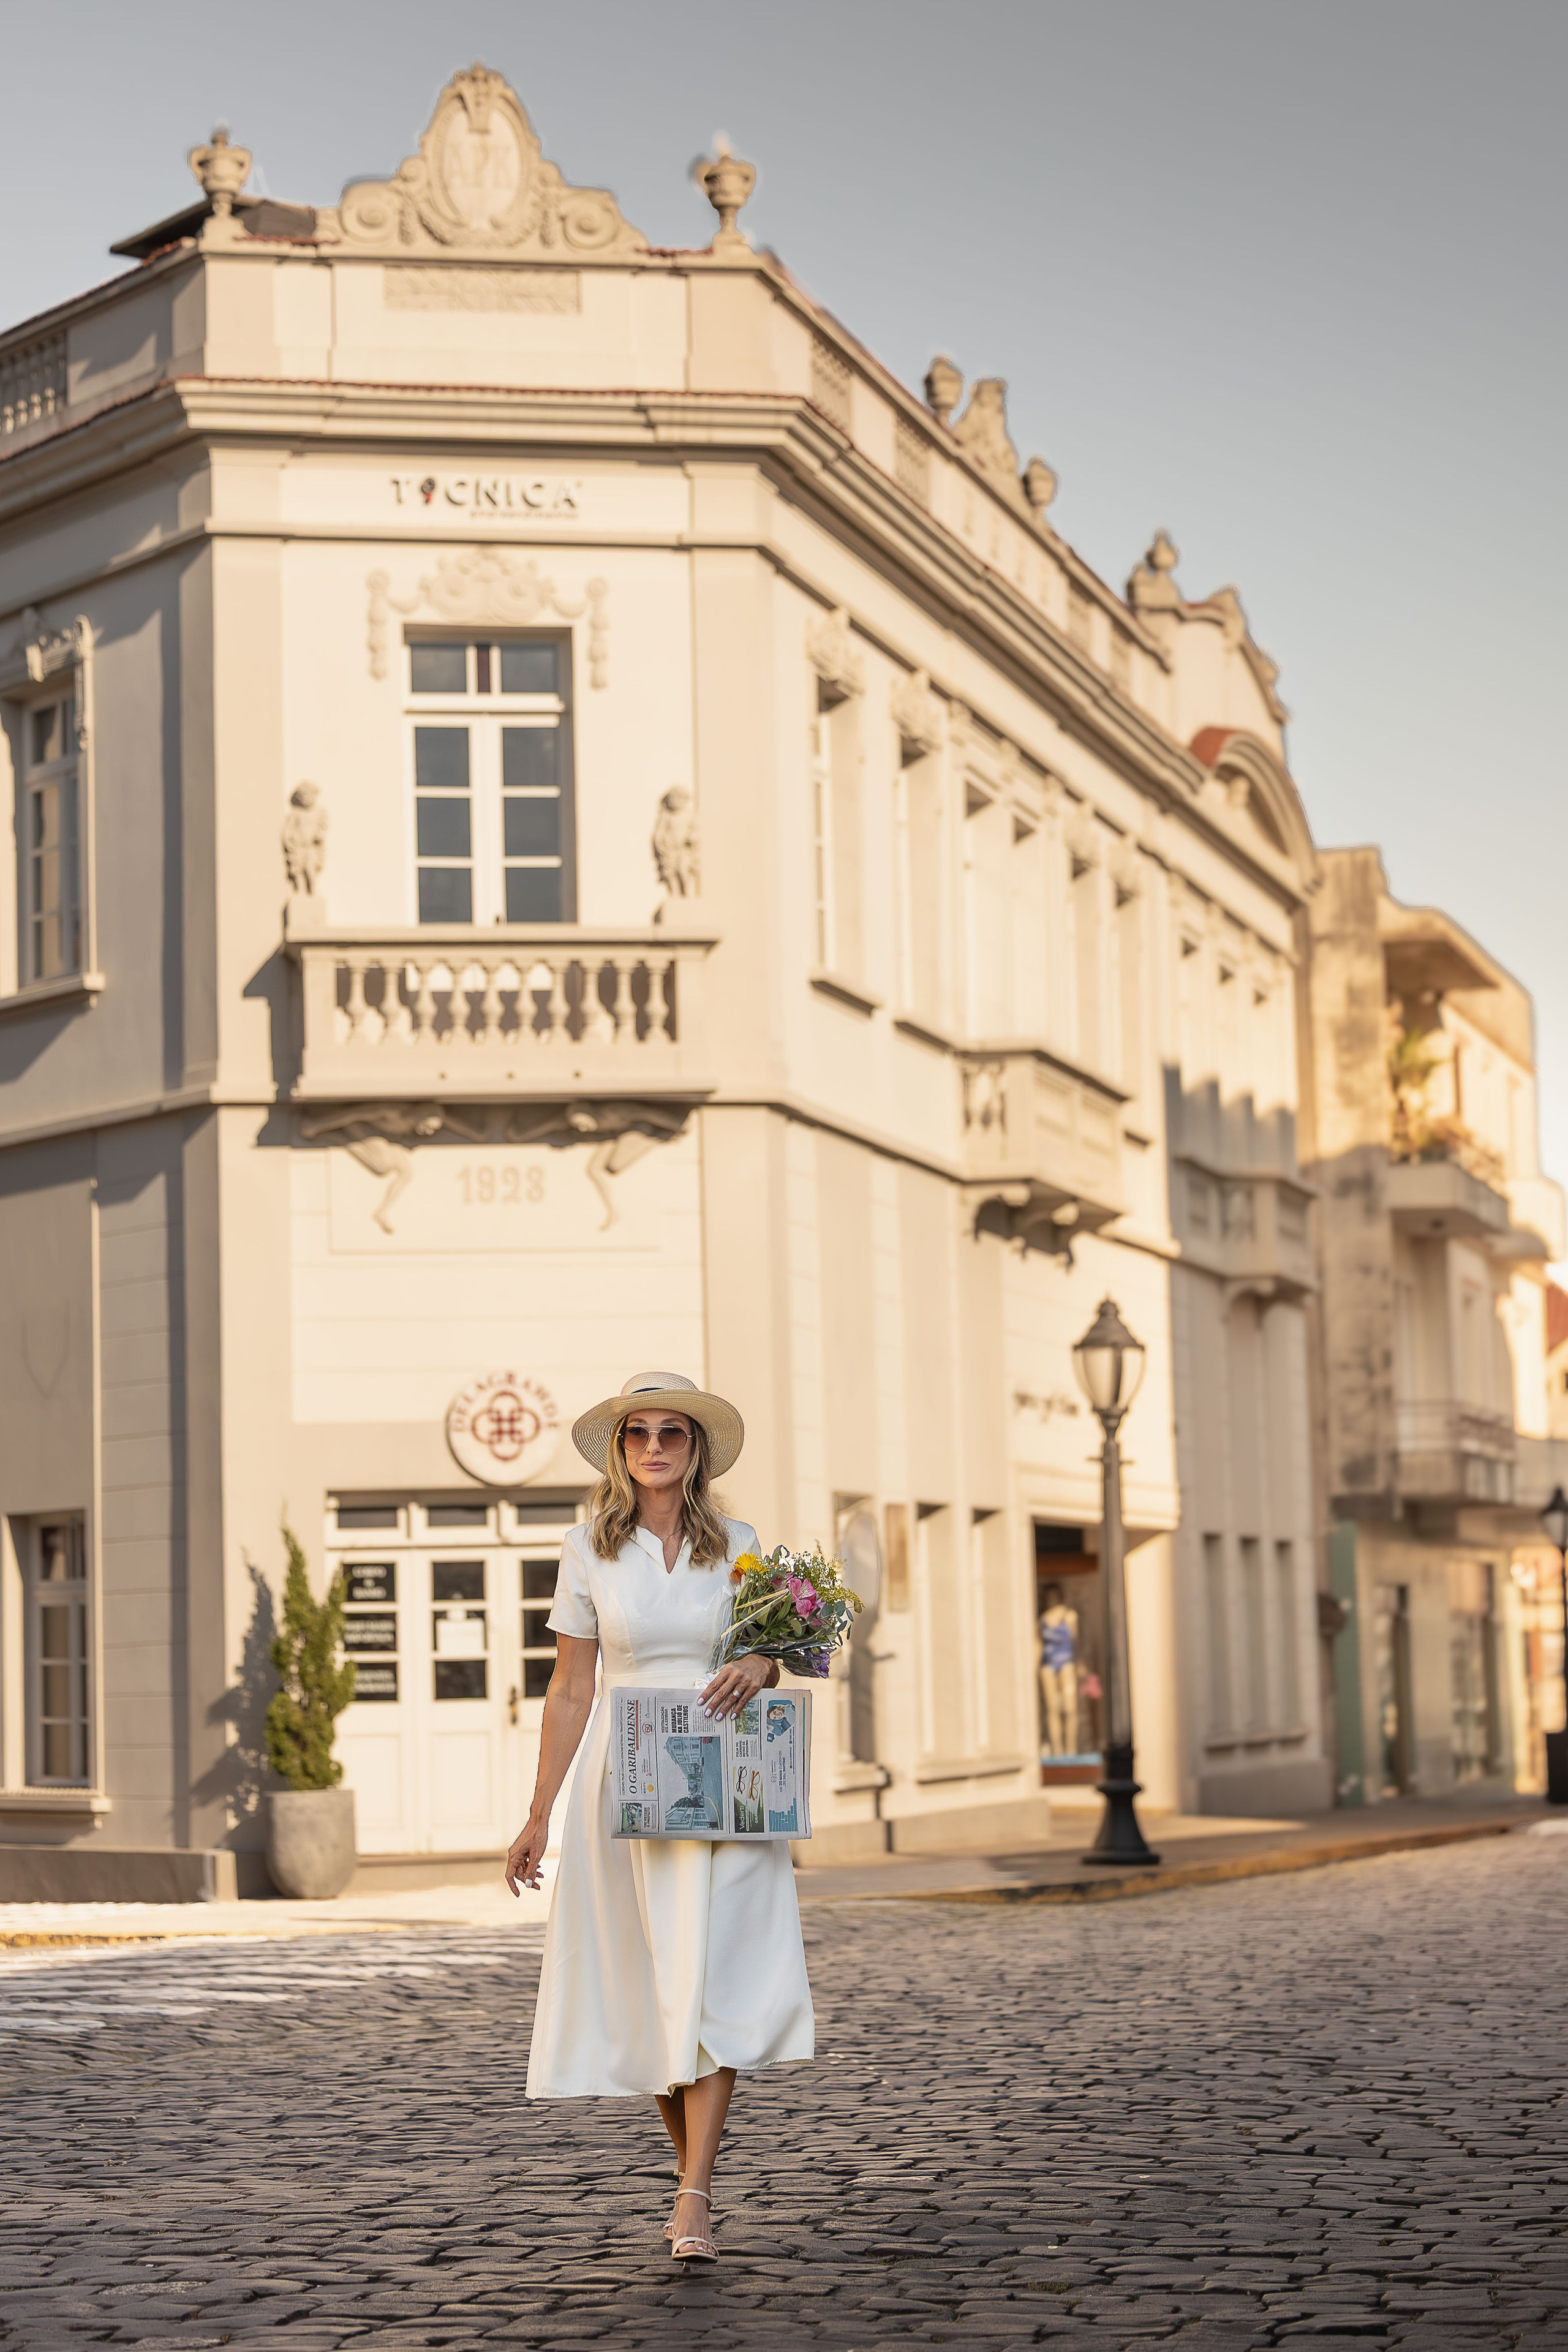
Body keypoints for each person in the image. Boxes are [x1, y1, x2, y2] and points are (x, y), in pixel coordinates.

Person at [505, 1371, 815, 2265]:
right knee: (653, 1984)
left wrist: (761, 1663)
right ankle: (694, 2180)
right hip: (630, 1775)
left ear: (694, 1448)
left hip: (727, 1776)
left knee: (712, 1976)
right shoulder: (586, 1550)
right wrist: (538, 1815)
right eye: (636, 1432)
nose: (653, 1446)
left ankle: (693, 2194)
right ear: (619, 1451)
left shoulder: (740, 1544)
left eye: (670, 1431)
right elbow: (571, 1688)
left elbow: (770, 1651)